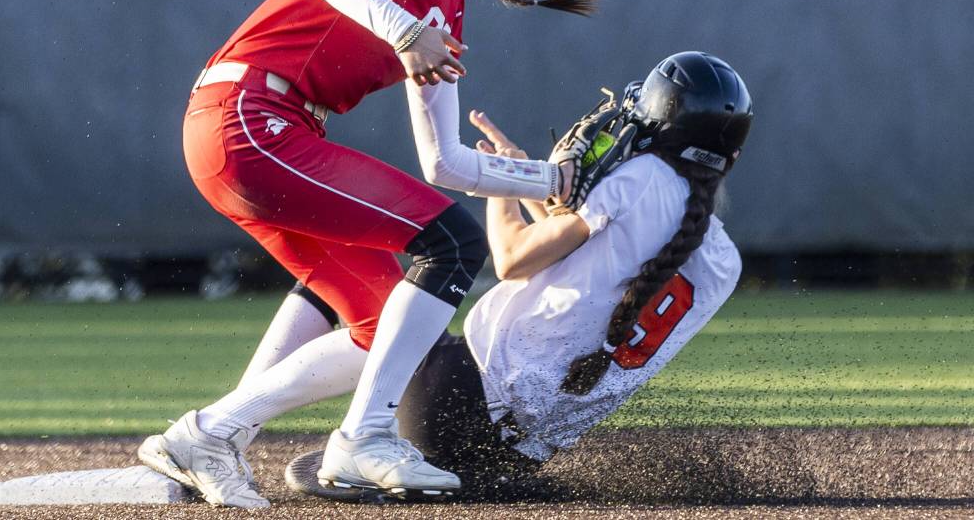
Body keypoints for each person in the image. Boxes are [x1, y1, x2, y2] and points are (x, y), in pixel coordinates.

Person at [137, 0, 595, 509]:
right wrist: (404, 27)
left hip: (258, 133)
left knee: (384, 322)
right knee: (451, 244)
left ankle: (213, 435)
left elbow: (446, 164)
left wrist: (554, 179)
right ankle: (362, 440)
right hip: (250, 123)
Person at [285, 51, 754, 500]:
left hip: (447, 400)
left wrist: (502, 186)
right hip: (510, 456)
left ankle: (234, 423)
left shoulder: (645, 175)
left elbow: (510, 259)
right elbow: (590, 267)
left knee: (355, 272)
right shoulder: (722, 262)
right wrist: (527, 180)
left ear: (657, 126)